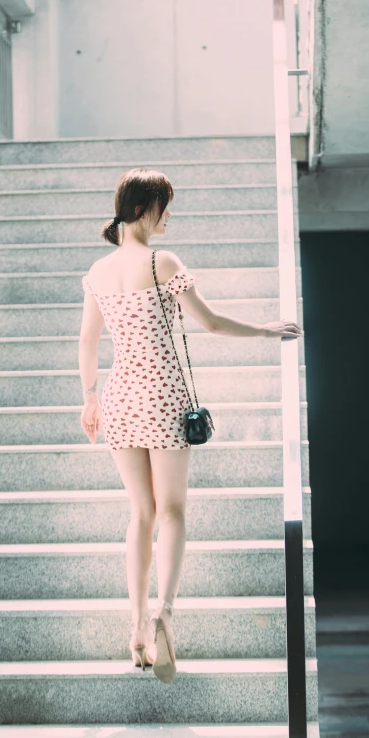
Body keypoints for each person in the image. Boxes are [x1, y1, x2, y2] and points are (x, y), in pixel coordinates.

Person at [78, 168, 302, 684]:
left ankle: (135, 625)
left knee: (140, 513)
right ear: (141, 210)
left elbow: (88, 342)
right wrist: (269, 330)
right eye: (164, 206)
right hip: (163, 397)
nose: (169, 216)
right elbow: (212, 323)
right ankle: (166, 611)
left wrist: (89, 399)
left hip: (121, 400)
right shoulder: (163, 262)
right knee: (173, 510)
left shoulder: (98, 271)